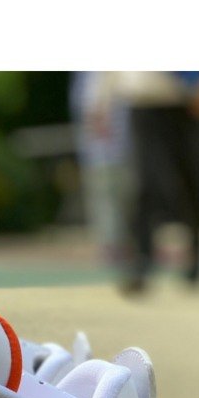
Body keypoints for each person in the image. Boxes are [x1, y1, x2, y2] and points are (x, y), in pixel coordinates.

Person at [91, 72, 199, 293]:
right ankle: (141, 263)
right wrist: (100, 101)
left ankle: (196, 260)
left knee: (195, 182)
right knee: (146, 183)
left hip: (193, 103)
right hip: (145, 101)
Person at [70, 72, 130, 265]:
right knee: (105, 193)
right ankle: (111, 244)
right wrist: (97, 117)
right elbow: (88, 101)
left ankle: (122, 243)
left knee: (122, 193)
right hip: (102, 145)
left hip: (121, 144)